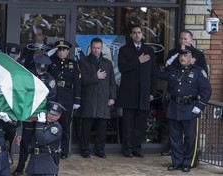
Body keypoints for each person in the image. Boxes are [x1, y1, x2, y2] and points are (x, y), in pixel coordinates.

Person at [155, 45, 211, 172]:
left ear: (191, 59)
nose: (182, 58)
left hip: (190, 108)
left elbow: (207, 91)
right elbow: (157, 73)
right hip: (175, 108)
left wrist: (199, 106)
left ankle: (188, 163)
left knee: (190, 138)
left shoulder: (197, 72)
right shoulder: (173, 70)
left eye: (186, 56)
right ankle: (177, 162)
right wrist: (166, 63)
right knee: (175, 138)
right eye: (181, 56)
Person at [161, 30, 209, 157]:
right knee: (174, 132)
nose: (183, 41)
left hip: (191, 101)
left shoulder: (198, 54)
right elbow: (167, 72)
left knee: (190, 134)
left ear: (191, 40)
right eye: (181, 39)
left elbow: (204, 75)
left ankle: (190, 159)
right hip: (175, 99)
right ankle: (174, 155)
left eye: (185, 39)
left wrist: (200, 102)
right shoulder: (173, 53)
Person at [12, 55, 56, 176]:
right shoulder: (27, 75)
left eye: (43, 69)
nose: (40, 71)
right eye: (39, 69)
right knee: (25, 141)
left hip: (41, 116)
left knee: (39, 142)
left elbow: (51, 99)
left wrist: (47, 116)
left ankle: (37, 168)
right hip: (29, 114)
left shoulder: (49, 80)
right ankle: (20, 167)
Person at [117, 25, 156, 158]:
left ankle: (137, 148)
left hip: (144, 93)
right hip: (129, 93)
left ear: (142, 34)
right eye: (134, 33)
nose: (137, 35)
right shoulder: (124, 50)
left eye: (139, 33)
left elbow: (153, 73)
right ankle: (127, 148)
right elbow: (122, 68)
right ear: (131, 35)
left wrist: (152, 92)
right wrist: (138, 61)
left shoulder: (149, 50)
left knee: (140, 123)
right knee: (128, 124)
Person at [79, 37, 116, 158]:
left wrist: (112, 98)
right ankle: (84, 150)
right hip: (89, 99)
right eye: (94, 48)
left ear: (101, 48)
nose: (96, 50)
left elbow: (112, 82)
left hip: (103, 100)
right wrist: (96, 76)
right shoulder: (84, 62)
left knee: (102, 128)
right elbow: (83, 80)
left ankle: (99, 149)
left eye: (98, 48)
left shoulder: (107, 63)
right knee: (86, 128)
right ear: (90, 47)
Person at [48, 40, 81, 159]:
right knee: (51, 123)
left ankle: (64, 150)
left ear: (67, 52)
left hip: (67, 97)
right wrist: (48, 55)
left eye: (64, 50)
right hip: (54, 96)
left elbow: (77, 83)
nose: (61, 52)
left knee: (66, 126)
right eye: (59, 49)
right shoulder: (50, 61)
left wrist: (77, 100)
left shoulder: (73, 63)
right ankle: (51, 147)